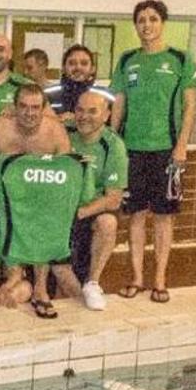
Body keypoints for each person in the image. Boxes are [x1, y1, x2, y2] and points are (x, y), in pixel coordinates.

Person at [110, 0, 196, 304]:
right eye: (141, 20)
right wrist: (112, 143)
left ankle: (159, 279)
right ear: (135, 25)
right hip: (132, 150)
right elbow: (118, 104)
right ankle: (136, 277)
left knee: (163, 217)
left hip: (167, 151)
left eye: (152, 19)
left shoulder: (179, 59)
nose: (146, 25)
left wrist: (182, 145)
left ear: (162, 23)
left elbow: (189, 106)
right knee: (135, 215)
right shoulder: (126, 61)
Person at [0, 83, 74, 317]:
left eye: (36, 107)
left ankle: (40, 289)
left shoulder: (54, 131)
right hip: (4, 196)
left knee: (43, 216)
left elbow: (66, 172)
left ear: (44, 108)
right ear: (14, 107)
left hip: (38, 196)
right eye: (23, 107)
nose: (29, 112)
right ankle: (11, 282)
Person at [0, 151, 92, 319]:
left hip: (49, 222)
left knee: (60, 268)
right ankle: (15, 289)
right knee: (16, 262)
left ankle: (41, 291)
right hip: (13, 206)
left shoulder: (55, 136)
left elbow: (86, 196)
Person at [70, 91, 128, 311]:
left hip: (89, 210)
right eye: (80, 110)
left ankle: (92, 283)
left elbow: (114, 199)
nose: (84, 116)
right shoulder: (64, 133)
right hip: (60, 209)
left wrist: (81, 212)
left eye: (92, 111)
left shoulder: (113, 146)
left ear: (106, 115)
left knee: (108, 223)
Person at [44, 44, 114, 129]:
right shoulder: (48, 94)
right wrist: (57, 119)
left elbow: (112, 128)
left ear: (92, 69)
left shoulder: (106, 96)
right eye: (72, 63)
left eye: (84, 63)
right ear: (63, 67)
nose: (78, 67)